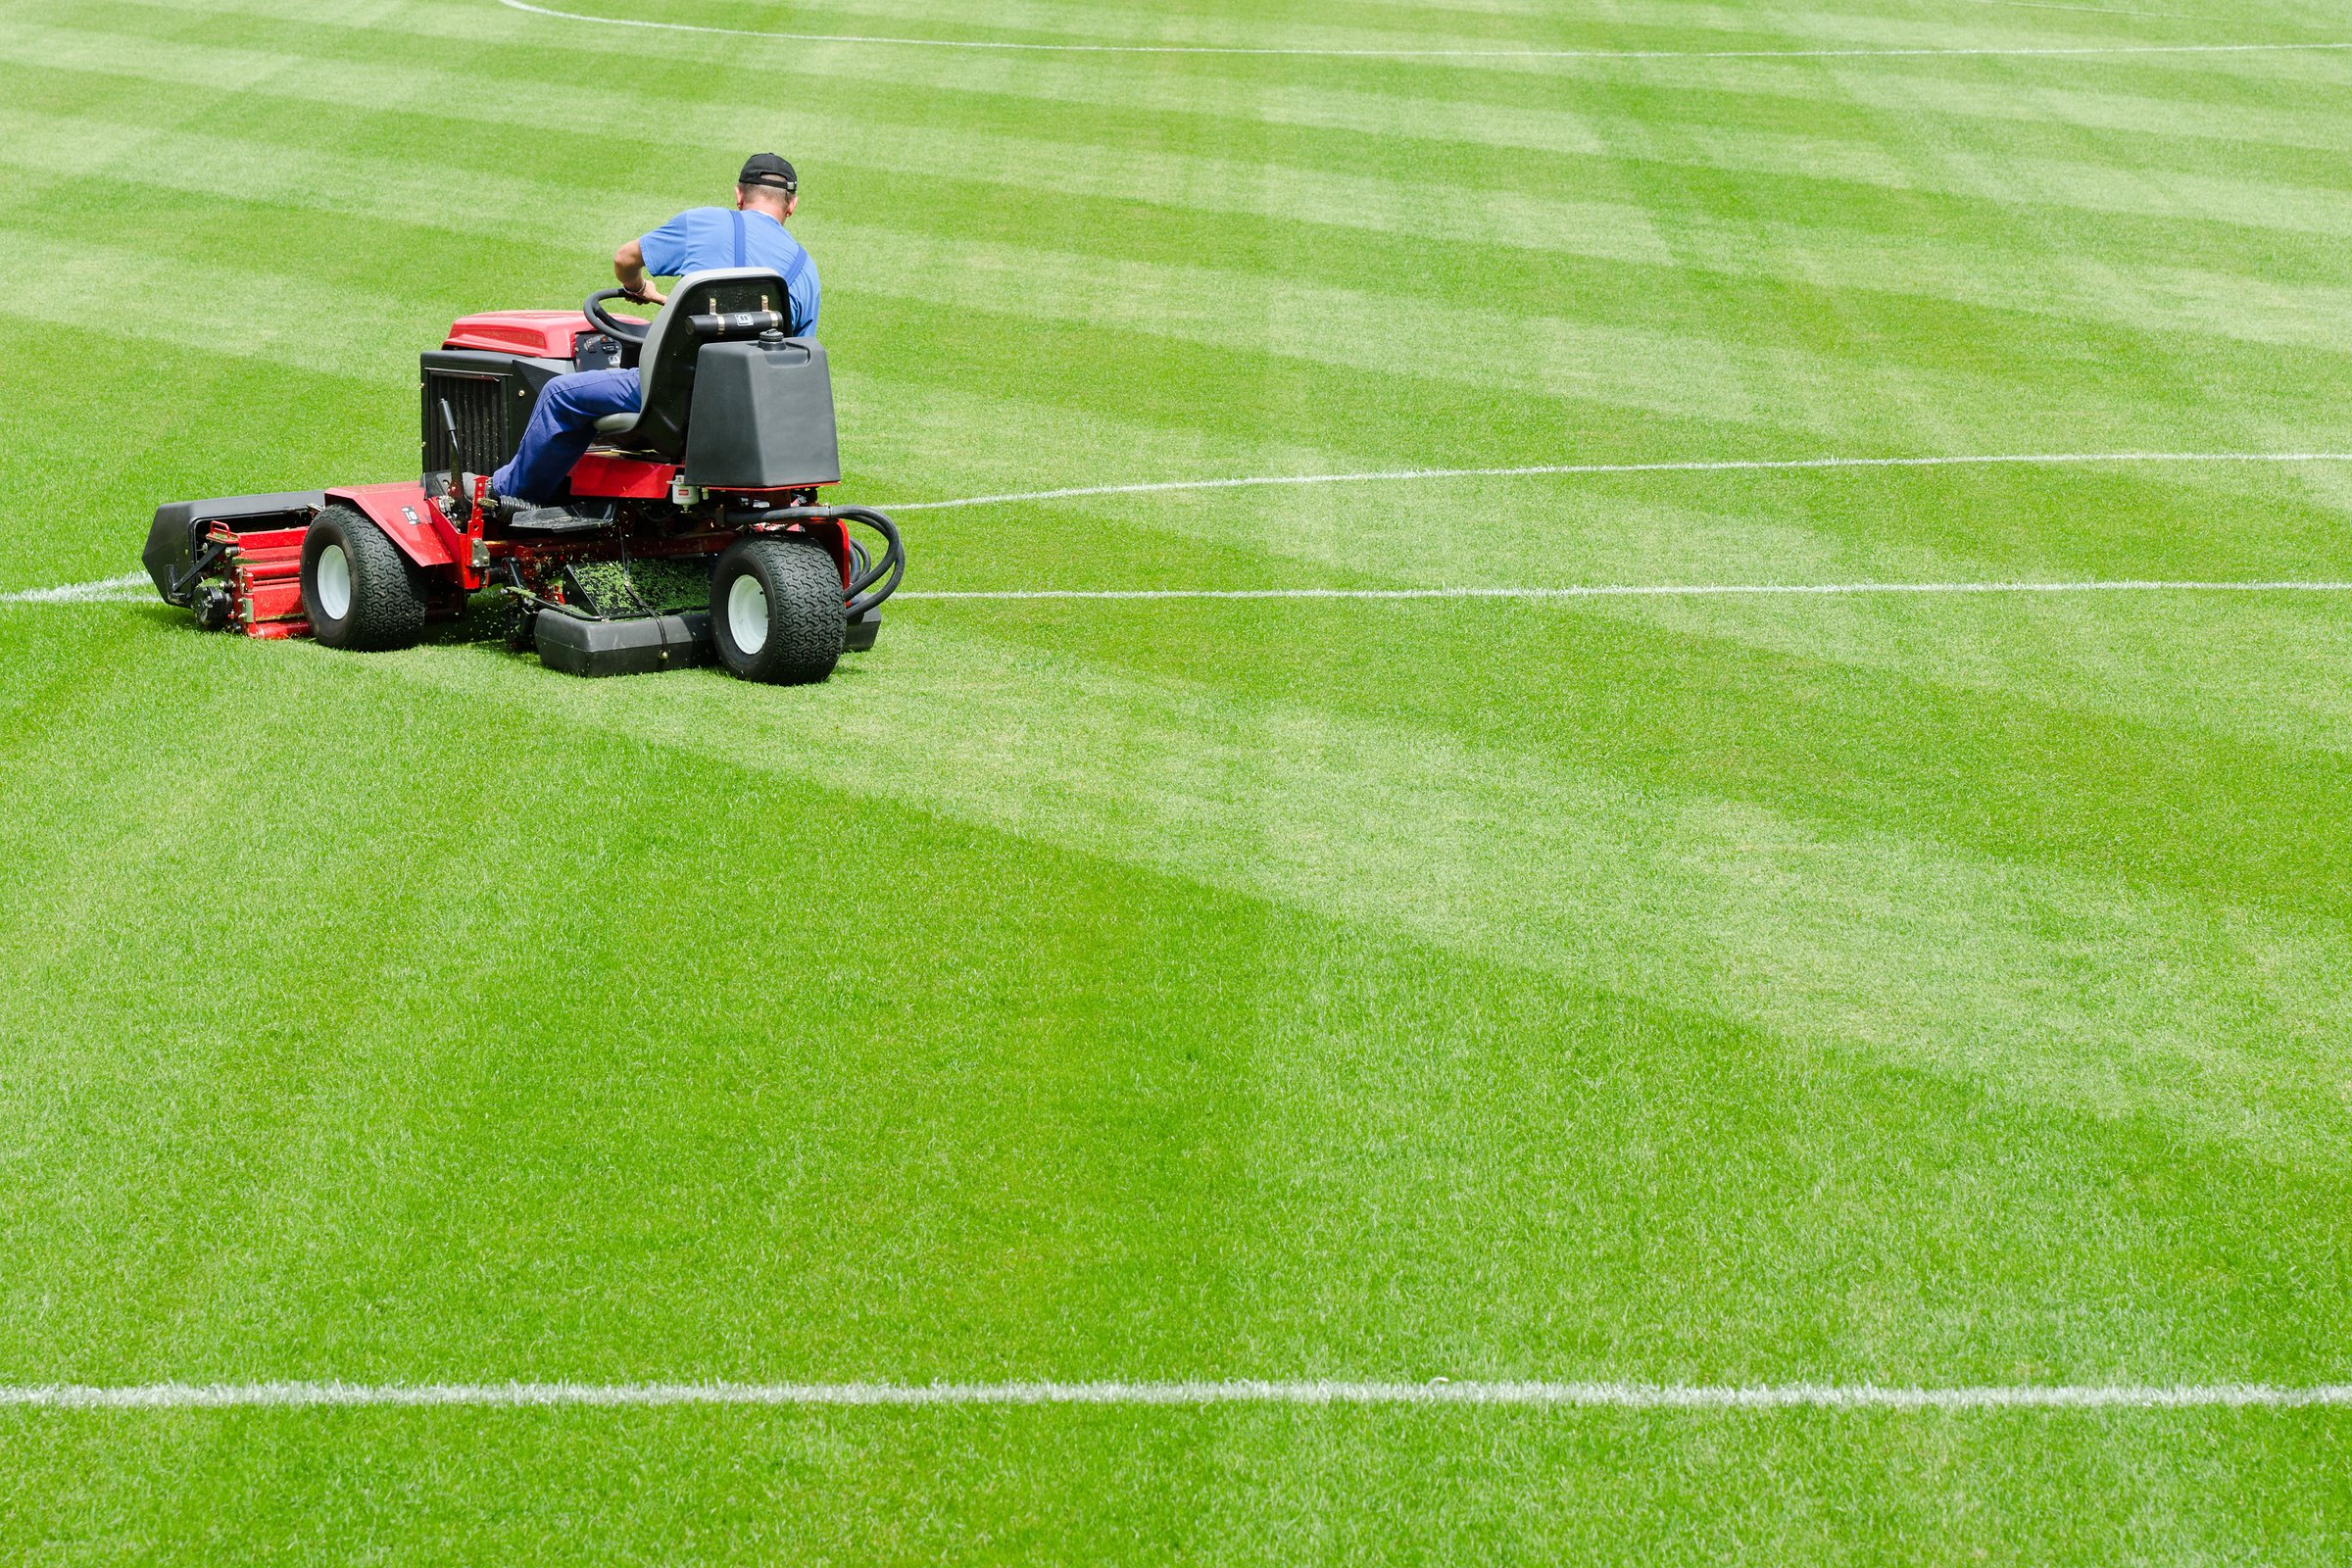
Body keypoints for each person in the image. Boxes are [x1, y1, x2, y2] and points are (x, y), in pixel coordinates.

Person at [475, 154, 821, 506]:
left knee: (559, 395)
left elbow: (625, 260)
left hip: (673, 399)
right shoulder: (804, 270)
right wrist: (669, 303)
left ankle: (505, 494)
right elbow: (791, 357)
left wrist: (639, 288)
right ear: (791, 205)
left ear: (738, 195)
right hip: (750, 411)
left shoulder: (703, 223)